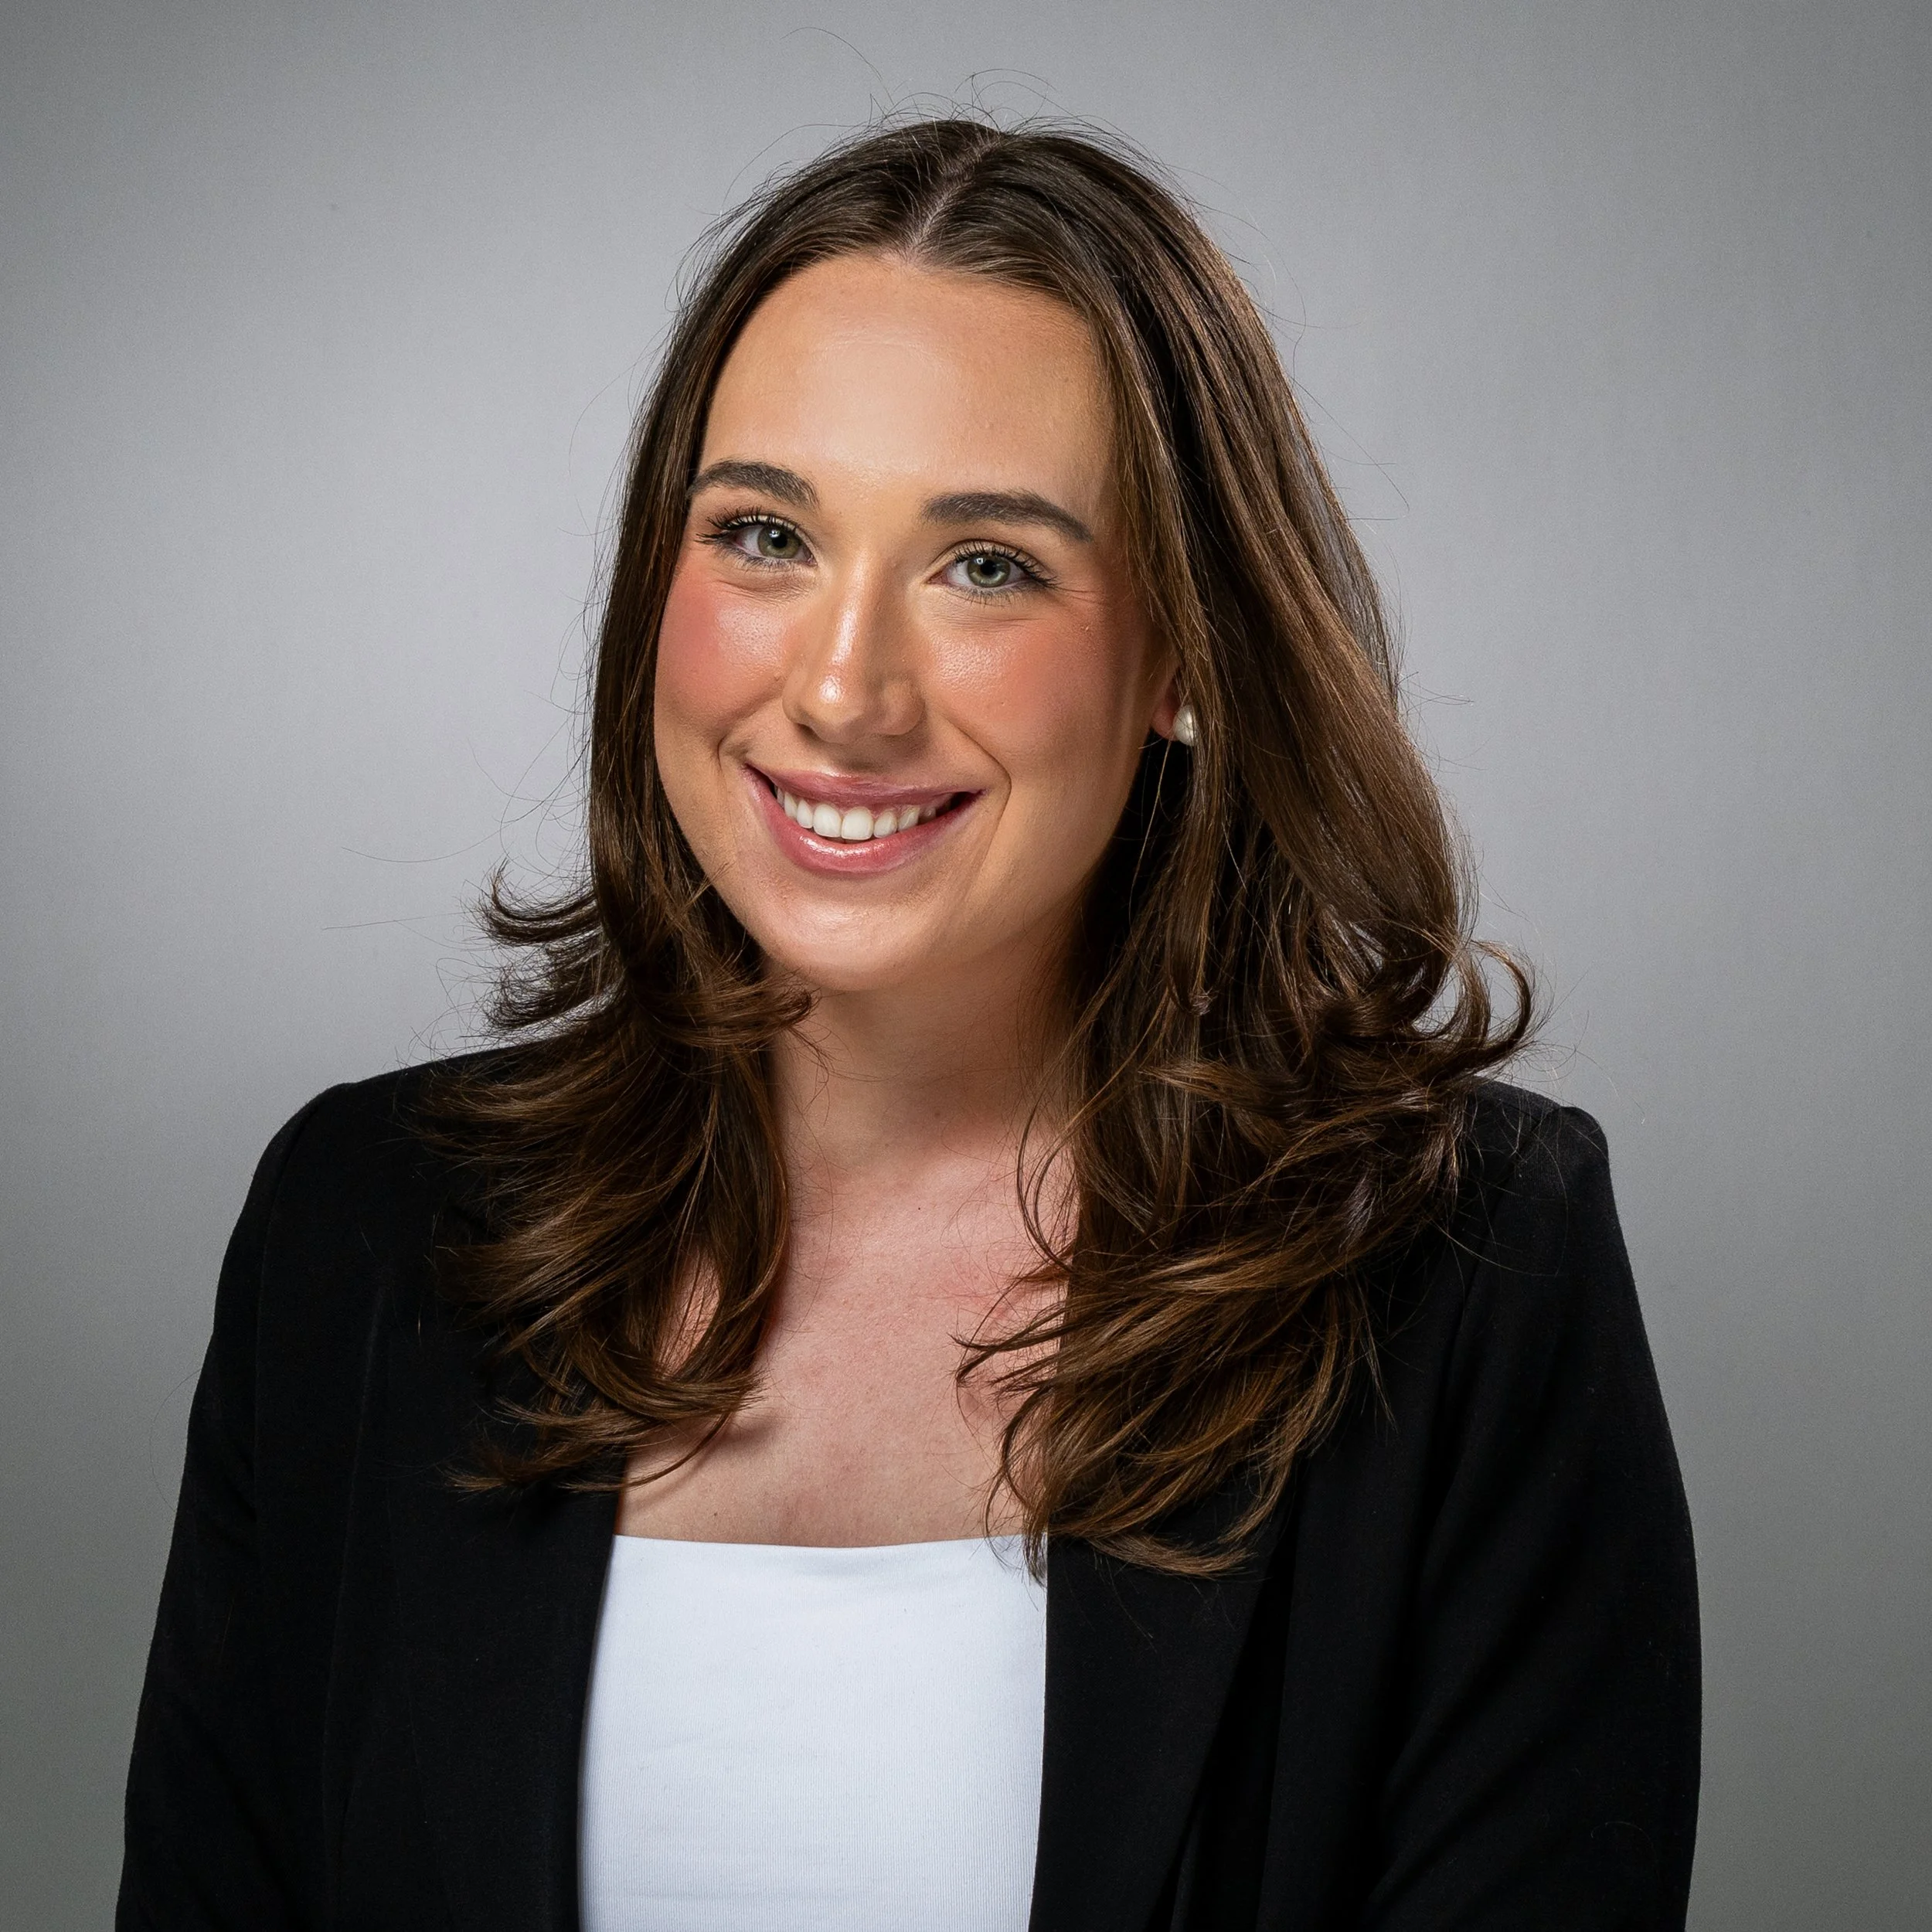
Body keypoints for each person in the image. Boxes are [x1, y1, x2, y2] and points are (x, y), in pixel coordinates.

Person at [118, 117, 1699, 1931]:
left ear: (1183, 654)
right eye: (765, 534)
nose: (844, 690)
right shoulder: (360, 1230)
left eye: (987, 566)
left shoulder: (1464, 1269)